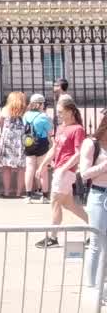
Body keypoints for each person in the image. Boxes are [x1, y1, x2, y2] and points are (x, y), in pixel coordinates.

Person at [36, 101, 87, 248]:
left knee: (55, 202)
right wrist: (43, 164)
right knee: (69, 204)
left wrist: (65, 168)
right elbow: (54, 149)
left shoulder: (78, 129)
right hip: (60, 169)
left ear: (70, 112)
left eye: (61, 112)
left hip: (66, 171)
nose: (58, 115)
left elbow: (78, 153)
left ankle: (52, 237)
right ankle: (97, 228)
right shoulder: (60, 128)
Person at [80, 120, 107, 291]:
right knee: (96, 240)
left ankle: (102, 285)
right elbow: (84, 174)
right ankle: (92, 287)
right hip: (98, 195)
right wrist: (104, 166)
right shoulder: (91, 144)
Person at [0, 91, 28, 198]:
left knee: (6, 167)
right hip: (20, 138)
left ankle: (6, 191)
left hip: (8, 138)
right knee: (21, 168)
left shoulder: (5, 109)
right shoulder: (25, 110)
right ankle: (19, 192)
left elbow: (0, 123)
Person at [23, 94, 54, 203]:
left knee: (29, 169)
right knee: (43, 170)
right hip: (41, 142)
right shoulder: (44, 117)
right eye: (43, 104)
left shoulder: (26, 115)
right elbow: (50, 132)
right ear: (40, 104)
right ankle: (44, 196)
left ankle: (28, 196)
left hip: (29, 142)